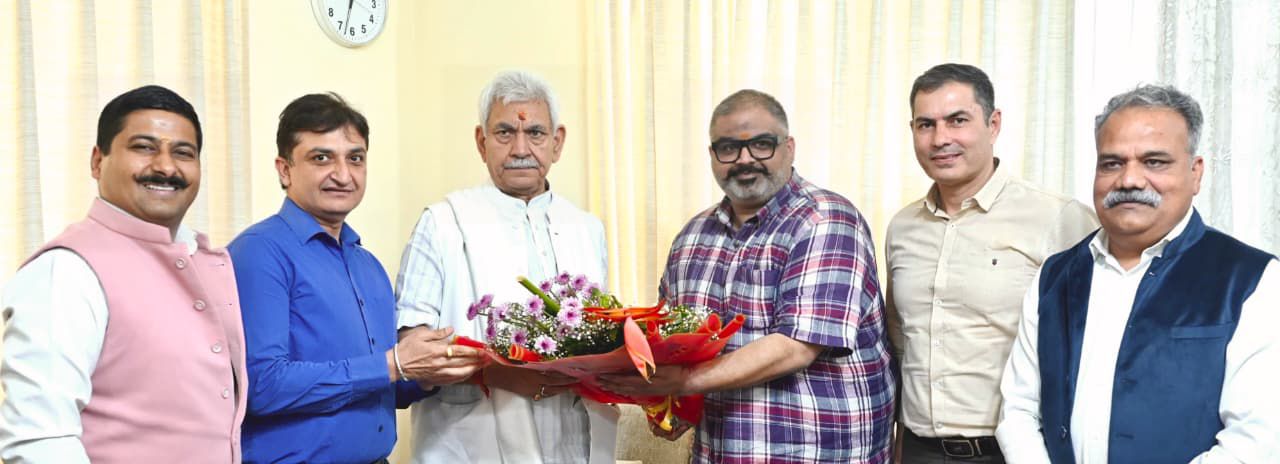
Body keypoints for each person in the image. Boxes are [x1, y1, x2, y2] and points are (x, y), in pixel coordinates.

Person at [599, 89, 895, 463]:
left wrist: (682, 382)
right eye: (728, 148)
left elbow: (795, 347)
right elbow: (674, 344)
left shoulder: (826, 220)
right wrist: (667, 403)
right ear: (712, 156)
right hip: (720, 452)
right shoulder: (692, 238)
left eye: (761, 145)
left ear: (789, 147)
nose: (744, 159)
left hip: (819, 453)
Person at [997, 85, 1280, 463]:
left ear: (1195, 173)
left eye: (1154, 162)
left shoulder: (1251, 280)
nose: (1129, 180)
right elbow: (1018, 409)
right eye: (1112, 163)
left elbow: (1257, 440)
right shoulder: (1056, 276)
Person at [229, 93, 485, 463]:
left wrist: (430, 373)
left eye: (355, 158)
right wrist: (394, 363)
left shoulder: (368, 265)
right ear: (284, 170)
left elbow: (385, 388)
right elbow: (264, 386)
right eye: (321, 158)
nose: (343, 174)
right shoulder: (260, 252)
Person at [0, 85, 247, 463]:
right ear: (98, 162)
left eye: (183, 152)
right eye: (144, 147)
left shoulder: (201, 256)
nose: (166, 166)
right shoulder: (67, 271)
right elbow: (40, 442)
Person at [395, 70, 616, 464]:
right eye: (503, 133)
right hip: (466, 444)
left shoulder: (586, 228)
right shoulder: (444, 223)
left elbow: (601, 334)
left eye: (535, 133)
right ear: (481, 142)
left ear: (557, 142)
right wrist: (497, 373)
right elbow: (414, 357)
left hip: (572, 442)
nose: (520, 148)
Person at [884, 63, 1097, 462]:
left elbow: (1095, 343)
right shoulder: (903, 227)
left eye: (957, 120)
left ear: (993, 124)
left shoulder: (1058, 217)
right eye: (925, 125)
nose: (940, 139)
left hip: (1012, 450)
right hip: (917, 449)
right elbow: (901, 341)